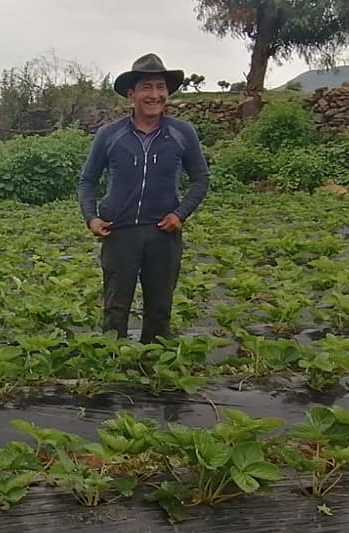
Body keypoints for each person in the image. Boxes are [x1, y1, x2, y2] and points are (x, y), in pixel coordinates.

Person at [77, 53, 210, 344]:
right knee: (115, 308)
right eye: (146, 87)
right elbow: (87, 181)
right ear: (131, 94)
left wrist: (180, 214)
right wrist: (91, 217)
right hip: (119, 232)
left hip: (163, 233)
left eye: (160, 87)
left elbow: (201, 179)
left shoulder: (181, 133)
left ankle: (153, 375)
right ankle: (112, 374)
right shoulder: (109, 135)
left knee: (160, 310)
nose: (154, 94)